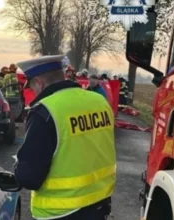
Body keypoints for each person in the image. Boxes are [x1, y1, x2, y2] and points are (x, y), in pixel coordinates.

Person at [14, 55, 116, 220]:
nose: (32, 93)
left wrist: (18, 169)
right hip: (99, 205)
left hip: (60, 212)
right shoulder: (99, 102)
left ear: (39, 82)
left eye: (32, 87)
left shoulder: (45, 111)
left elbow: (29, 178)